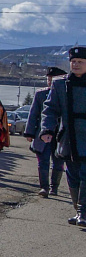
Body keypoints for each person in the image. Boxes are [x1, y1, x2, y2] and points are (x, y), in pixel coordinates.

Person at [39, 47, 86, 226]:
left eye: (80, 62)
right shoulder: (60, 84)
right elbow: (50, 109)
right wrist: (47, 130)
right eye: (73, 62)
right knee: (73, 175)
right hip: (69, 138)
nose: (76, 64)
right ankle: (78, 210)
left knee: (85, 174)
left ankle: (83, 212)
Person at [25, 66, 67, 197]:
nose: (50, 82)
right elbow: (33, 114)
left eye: (52, 79)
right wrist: (30, 133)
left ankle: (54, 187)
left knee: (58, 162)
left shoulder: (65, 94)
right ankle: (44, 187)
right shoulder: (40, 94)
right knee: (42, 161)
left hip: (59, 134)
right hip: (42, 134)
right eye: (48, 79)